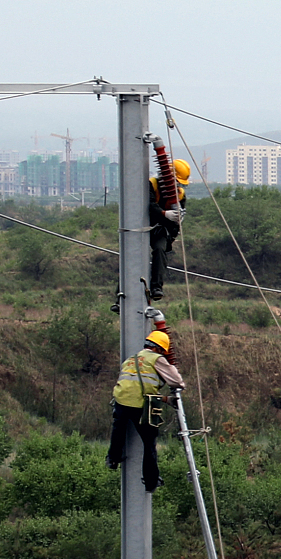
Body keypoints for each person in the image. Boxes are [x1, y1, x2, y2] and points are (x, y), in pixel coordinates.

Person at [107, 329, 184, 493]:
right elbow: (176, 381)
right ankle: (151, 481)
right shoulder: (156, 359)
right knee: (149, 443)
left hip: (120, 400)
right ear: (158, 349)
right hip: (140, 404)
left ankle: (112, 459)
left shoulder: (130, 359)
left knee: (118, 429)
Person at [148, 152, 189, 301]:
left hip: (161, 230)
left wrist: (178, 219)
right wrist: (164, 213)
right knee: (132, 256)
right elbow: (148, 205)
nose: (177, 184)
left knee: (160, 250)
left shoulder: (180, 194)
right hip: (143, 226)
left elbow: (180, 212)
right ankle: (120, 297)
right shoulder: (152, 184)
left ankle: (156, 287)